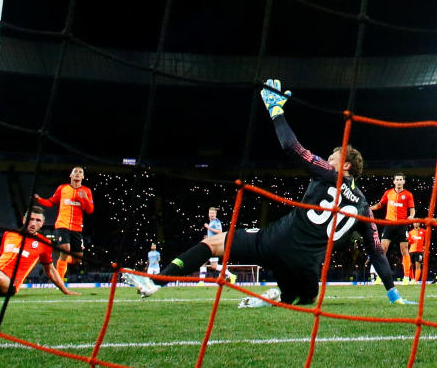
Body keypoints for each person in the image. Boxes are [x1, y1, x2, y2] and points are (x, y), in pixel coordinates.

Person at [122, 79, 412, 306]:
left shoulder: (329, 174)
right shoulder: (362, 206)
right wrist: (393, 295)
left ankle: (153, 283)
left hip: (276, 242)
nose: (327, 160)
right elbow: (376, 251)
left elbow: (292, 148)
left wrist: (276, 110)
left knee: (211, 244)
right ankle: (279, 296)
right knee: (308, 298)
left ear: (345, 165)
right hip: (306, 269)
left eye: (332, 157)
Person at [0, 207, 76, 296]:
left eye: (38, 220)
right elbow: (2, 256)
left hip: (11, 281)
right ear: (24, 220)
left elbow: (50, 270)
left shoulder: (44, 243)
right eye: (31, 219)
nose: (33, 223)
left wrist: (65, 290)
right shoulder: (9, 234)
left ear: (42, 224)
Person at [34, 166, 94, 281]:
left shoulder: (87, 191)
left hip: (77, 227)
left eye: (80, 172)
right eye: (75, 171)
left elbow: (90, 210)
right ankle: (59, 280)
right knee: (65, 249)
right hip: (62, 224)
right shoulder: (62, 188)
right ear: (70, 175)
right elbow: (51, 202)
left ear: (83, 177)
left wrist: (85, 198)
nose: (77, 173)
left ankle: (63, 261)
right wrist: (40, 200)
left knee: (77, 259)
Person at [370, 173, 415, 283]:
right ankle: (381, 276)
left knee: (404, 250)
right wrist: (369, 208)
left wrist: (411, 216)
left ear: (404, 182)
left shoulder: (408, 195)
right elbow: (380, 205)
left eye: (401, 180)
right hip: (389, 224)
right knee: (382, 250)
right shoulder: (388, 193)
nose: (399, 181)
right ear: (394, 181)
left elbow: (412, 209)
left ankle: (406, 277)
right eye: (397, 180)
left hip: (402, 225)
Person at [200, 207, 237, 284]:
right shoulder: (212, 222)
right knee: (205, 262)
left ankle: (231, 275)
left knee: (211, 265)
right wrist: (208, 237)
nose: (211, 215)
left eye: (213, 213)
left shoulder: (216, 221)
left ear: (215, 214)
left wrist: (208, 228)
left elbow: (219, 232)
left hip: (214, 246)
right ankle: (201, 282)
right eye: (210, 213)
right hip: (210, 245)